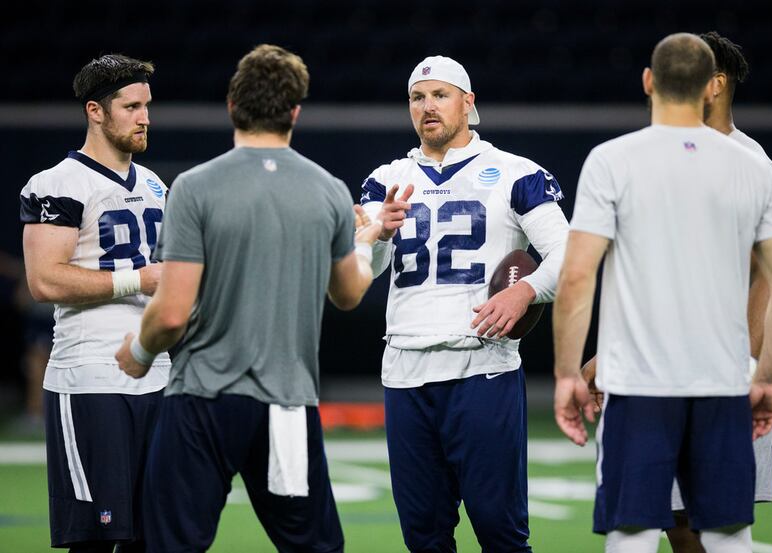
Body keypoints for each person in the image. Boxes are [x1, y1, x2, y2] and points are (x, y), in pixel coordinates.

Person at [114, 44, 381, 553]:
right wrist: (365, 245)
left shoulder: (194, 187)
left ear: (233, 105)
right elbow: (348, 294)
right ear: (295, 112)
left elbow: (171, 312)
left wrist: (140, 352)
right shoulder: (328, 189)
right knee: (314, 546)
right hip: (287, 404)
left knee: (170, 545)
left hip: (201, 402)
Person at [553, 33, 772, 553]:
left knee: (634, 533)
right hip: (722, 381)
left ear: (649, 81)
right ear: (703, 86)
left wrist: (566, 373)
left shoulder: (612, 160)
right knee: (727, 536)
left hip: (643, 385)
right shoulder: (750, 169)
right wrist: (767, 377)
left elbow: (578, 277)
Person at [360, 55, 569, 552]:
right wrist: (376, 236)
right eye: (417, 97)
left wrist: (525, 290)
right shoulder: (384, 179)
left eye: (440, 94)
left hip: (482, 369)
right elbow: (361, 274)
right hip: (405, 369)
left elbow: (572, 257)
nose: (427, 106)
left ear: (468, 103)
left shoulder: (516, 173)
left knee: (500, 531)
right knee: (424, 538)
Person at [19, 54, 168, 553]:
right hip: (90, 378)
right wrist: (138, 279)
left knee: (157, 535)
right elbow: (46, 281)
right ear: (95, 111)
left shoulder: (154, 185)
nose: (144, 117)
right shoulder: (57, 183)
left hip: (158, 373)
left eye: (147, 105)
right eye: (131, 106)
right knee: (97, 539)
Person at [664, 30, 772, 553]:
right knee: (675, 516)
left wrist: (753, 368)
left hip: (728, 368)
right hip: (666, 367)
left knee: (720, 522)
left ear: (715, 83)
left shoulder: (751, 167)